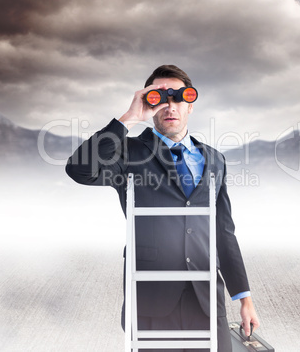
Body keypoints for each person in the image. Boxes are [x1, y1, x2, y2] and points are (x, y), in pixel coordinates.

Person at [65, 65, 260, 351]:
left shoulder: (215, 159)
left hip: (205, 298)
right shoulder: (127, 153)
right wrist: (130, 117)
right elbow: (79, 170)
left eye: (179, 97)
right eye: (159, 97)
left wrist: (244, 299)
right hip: (150, 298)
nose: (170, 106)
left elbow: (224, 232)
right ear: (149, 102)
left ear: (190, 104)